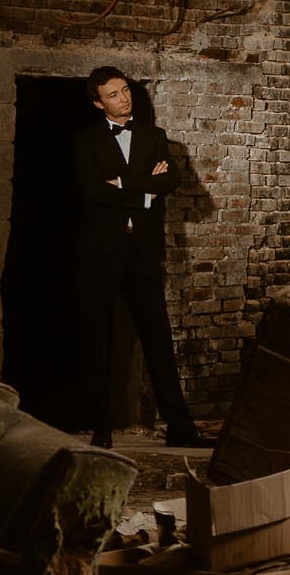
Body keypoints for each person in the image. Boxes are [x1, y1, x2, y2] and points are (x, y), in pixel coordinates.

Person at [72, 66, 205, 449]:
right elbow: (92, 192)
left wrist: (126, 183)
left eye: (125, 90)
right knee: (98, 340)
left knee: (158, 338)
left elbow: (171, 181)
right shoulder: (85, 142)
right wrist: (148, 190)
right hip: (100, 253)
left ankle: (181, 429)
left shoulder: (153, 136)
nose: (124, 98)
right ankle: (101, 429)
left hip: (142, 251)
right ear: (99, 104)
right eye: (113, 94)